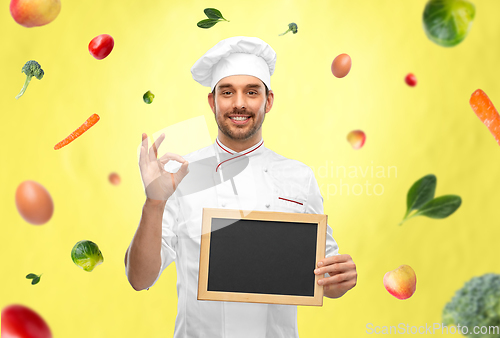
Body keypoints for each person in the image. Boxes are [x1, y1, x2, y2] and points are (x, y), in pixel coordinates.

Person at [125, 36, 357, 338]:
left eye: (251, 92)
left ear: (268, 101)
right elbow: (140, 279)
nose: (239, 103)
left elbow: (323, 277)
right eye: (227, 92)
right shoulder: (178, 176)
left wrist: (341, 279)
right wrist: (154, 203)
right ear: (212, 101)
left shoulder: (299, 176)